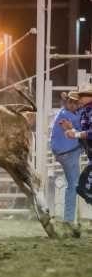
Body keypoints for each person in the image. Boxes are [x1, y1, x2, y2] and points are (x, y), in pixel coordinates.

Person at [51, 92, 82, 225]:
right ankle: (68, 220)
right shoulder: (68, 116)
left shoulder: (64, 112)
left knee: (73, 184)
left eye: (74, 102)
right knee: (73, 185)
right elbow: (82, 128)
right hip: (69, 152)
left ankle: (69, 219)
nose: (73, 105)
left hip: (65, 152)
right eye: (71, 102)